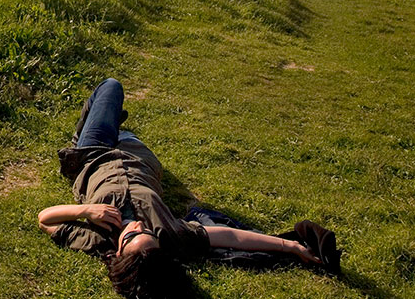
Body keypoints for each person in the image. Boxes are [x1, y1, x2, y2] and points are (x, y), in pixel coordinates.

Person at [39, 79, 328, 298]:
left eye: (132, 237)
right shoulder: (172, 236)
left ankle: (83, 136)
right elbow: (230, 237)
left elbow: (46, 219)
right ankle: (101, 128)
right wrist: (290, 245)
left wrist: (86, 210)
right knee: (113, 105)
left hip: (95, 153)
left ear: (118, 254)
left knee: (110, 88)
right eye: (147, 234)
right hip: (138, 154)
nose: (139, 227)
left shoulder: (98, 241)